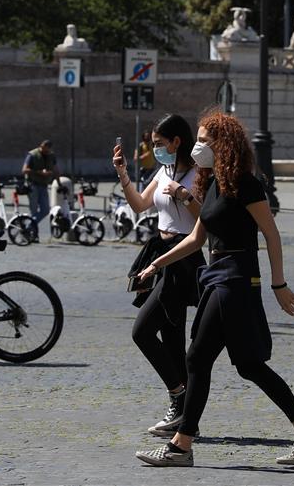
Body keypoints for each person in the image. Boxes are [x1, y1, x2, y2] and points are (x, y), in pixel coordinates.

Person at [134, 110, 294, 467]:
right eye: (198, 139)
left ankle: (180, 446)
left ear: (224, 143)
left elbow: (271, 234)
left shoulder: (246, 183)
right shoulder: (215, 182)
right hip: (216, 276)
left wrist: (278, 283)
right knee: (249, 365)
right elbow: (196, 238)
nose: (198, 146)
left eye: (204, 140)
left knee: (196, 358)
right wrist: (157, 264)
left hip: (235, 279)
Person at [112, 114, 205, 438]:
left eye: (159, 144)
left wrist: (184, 195)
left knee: (143, 332)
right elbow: (139, 205)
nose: (155, 149)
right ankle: (182, 411)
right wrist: (123, 173)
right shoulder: (163, 170)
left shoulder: (196, 174)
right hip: (161, 253)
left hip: (183, 256)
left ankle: (180, 397)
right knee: (172, 335)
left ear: (176, 142)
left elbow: (204, 218)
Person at [21, 139, 59, 242]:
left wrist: (59, 184)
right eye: (43, 149)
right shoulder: (32, 154)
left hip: (43, 185)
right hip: (33, 185)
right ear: (41, 146)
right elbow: (24, 169)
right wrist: (39, 172)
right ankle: (32, 235)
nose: (45, 151)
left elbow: (56, 170)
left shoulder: (51, 156)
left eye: (47, 150)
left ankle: (28, 227)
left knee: (45, 210)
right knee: (33, 211)